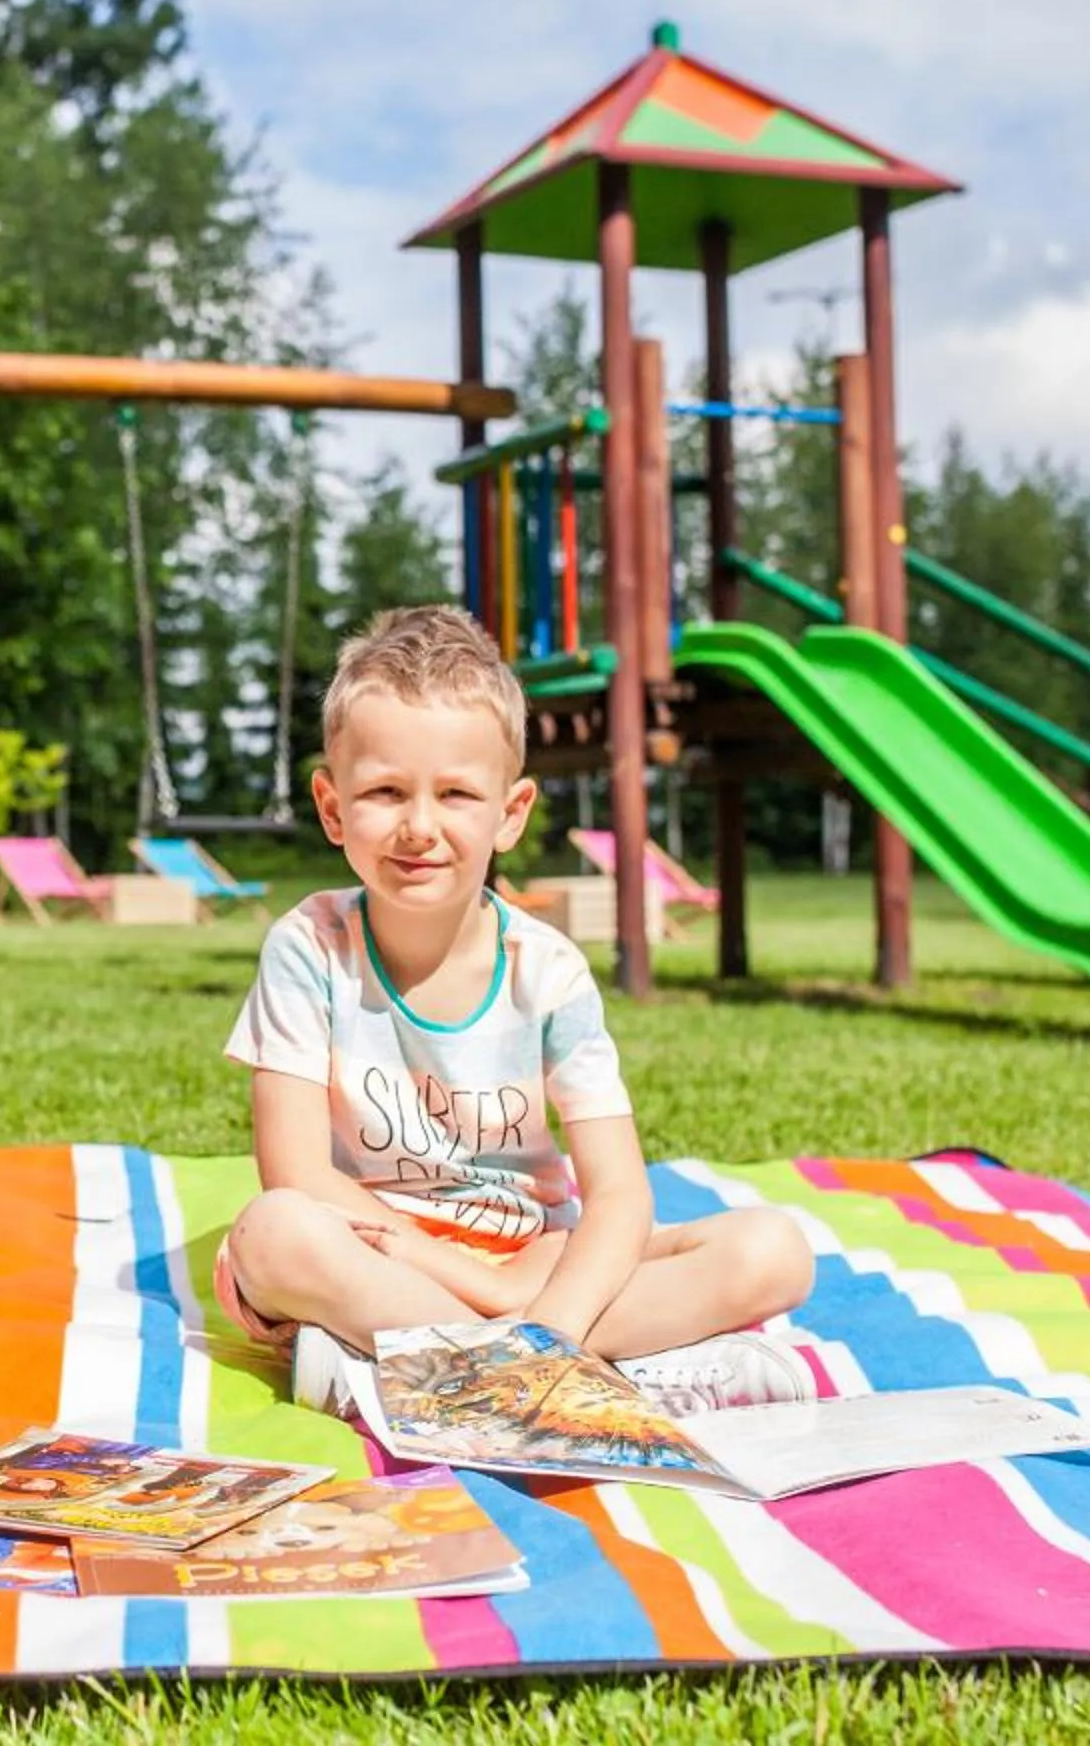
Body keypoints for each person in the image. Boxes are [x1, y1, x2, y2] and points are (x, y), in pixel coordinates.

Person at [214, 605, 819, 1414]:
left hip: (530, 1257)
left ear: (511, 812)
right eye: (386, 791)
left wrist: (543, 1317)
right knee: (273, 1233)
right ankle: (597, 1372)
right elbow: (294, 1173)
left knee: (773, 1251)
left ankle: (438, 1371)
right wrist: (465, 1281)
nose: (419, 826)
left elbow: (621, 1199)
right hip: (374, 1253)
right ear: (332, 808)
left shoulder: (550, 973)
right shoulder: (309, 948)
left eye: (457, 793)